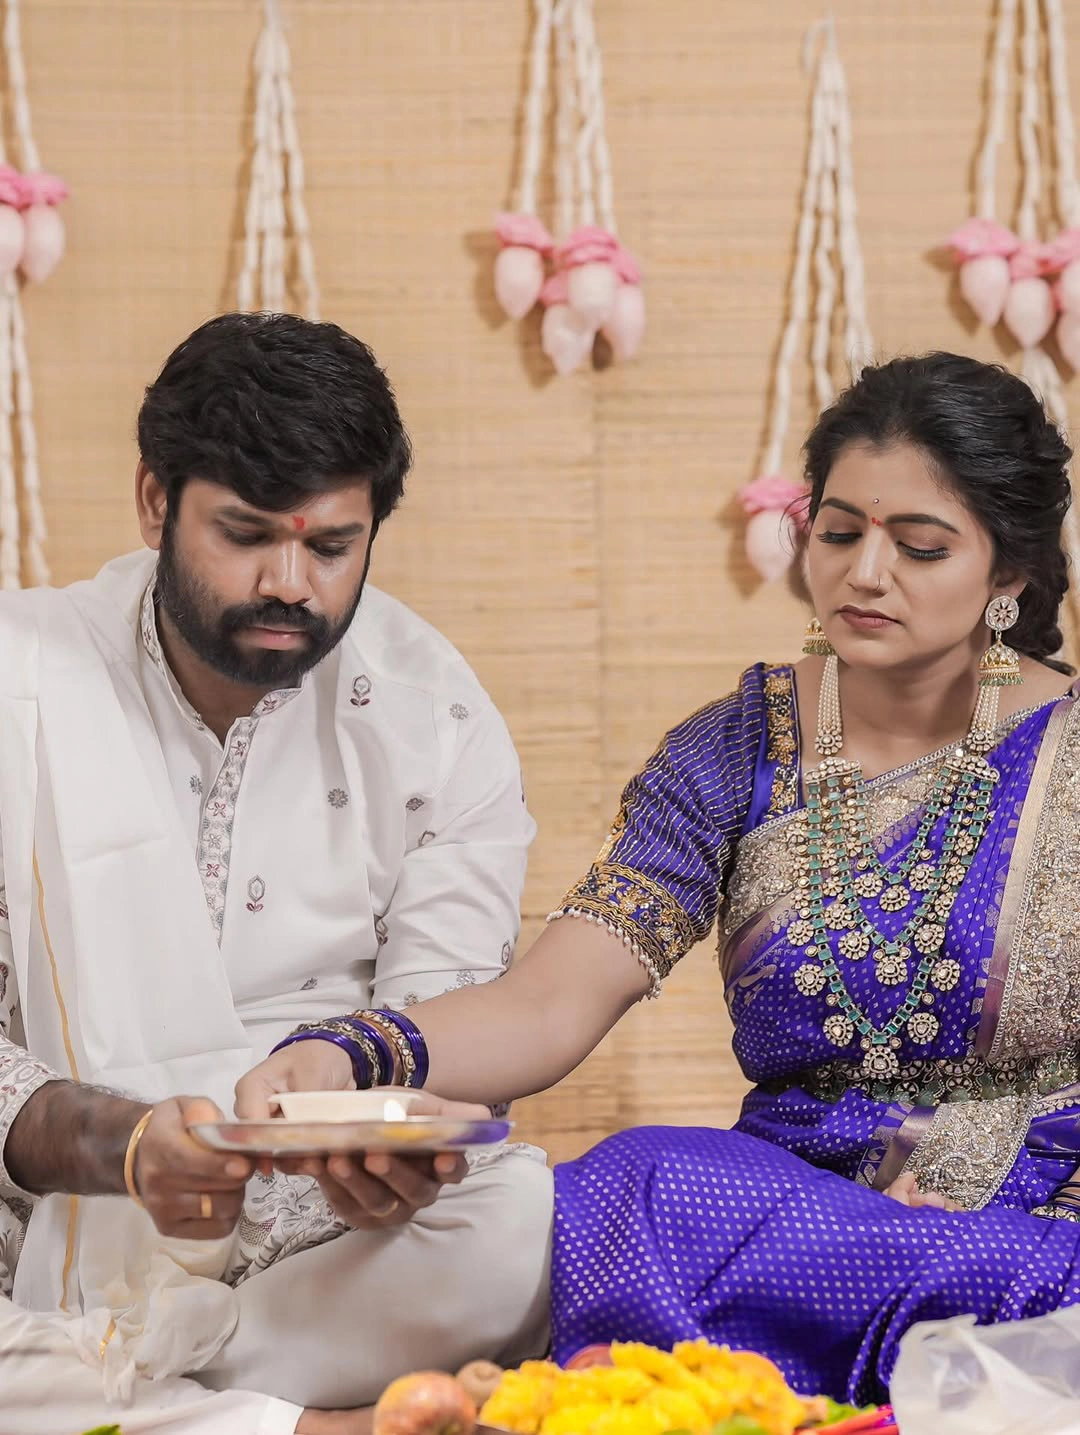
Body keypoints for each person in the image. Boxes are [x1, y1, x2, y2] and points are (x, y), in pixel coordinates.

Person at [239, 352, 1080, 1405]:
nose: (866, 573)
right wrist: (353, 1049)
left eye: (920, 547)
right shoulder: (735, 749)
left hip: (1037, 1219)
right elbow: (550, 1002)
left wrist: (1006, 1202)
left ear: (1008, 575)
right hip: (780, 1222)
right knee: (640, 1184)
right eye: (838, 533)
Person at [0, 311, 552, 1424]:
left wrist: (391, 1146)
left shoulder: (435, 721)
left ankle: (133, 1393)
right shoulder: (23, 683)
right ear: (155, 501)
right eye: (246, 534)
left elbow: (440, 1028)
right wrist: (128, 1145)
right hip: (44, 1199)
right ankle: (291, 1420)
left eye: (331, 546)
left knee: (511, 1230)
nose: (290, 582)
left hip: (303, 1239)